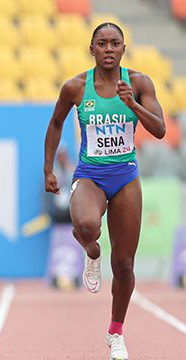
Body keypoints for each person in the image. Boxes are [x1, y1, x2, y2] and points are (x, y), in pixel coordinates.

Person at [44, 23, 165, 359]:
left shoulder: (139, 83)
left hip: (125, 176)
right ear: (92, 49)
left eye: (115, 43)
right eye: (102, 44)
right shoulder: (76, 87)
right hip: (90, 174)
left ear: (123, 49)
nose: (109, 49)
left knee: (125, 264)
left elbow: (159, 129)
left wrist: (134, 105)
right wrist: (48, 168)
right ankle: (92, 253)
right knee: (85, 226)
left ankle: (116, 333)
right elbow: (55, 123)